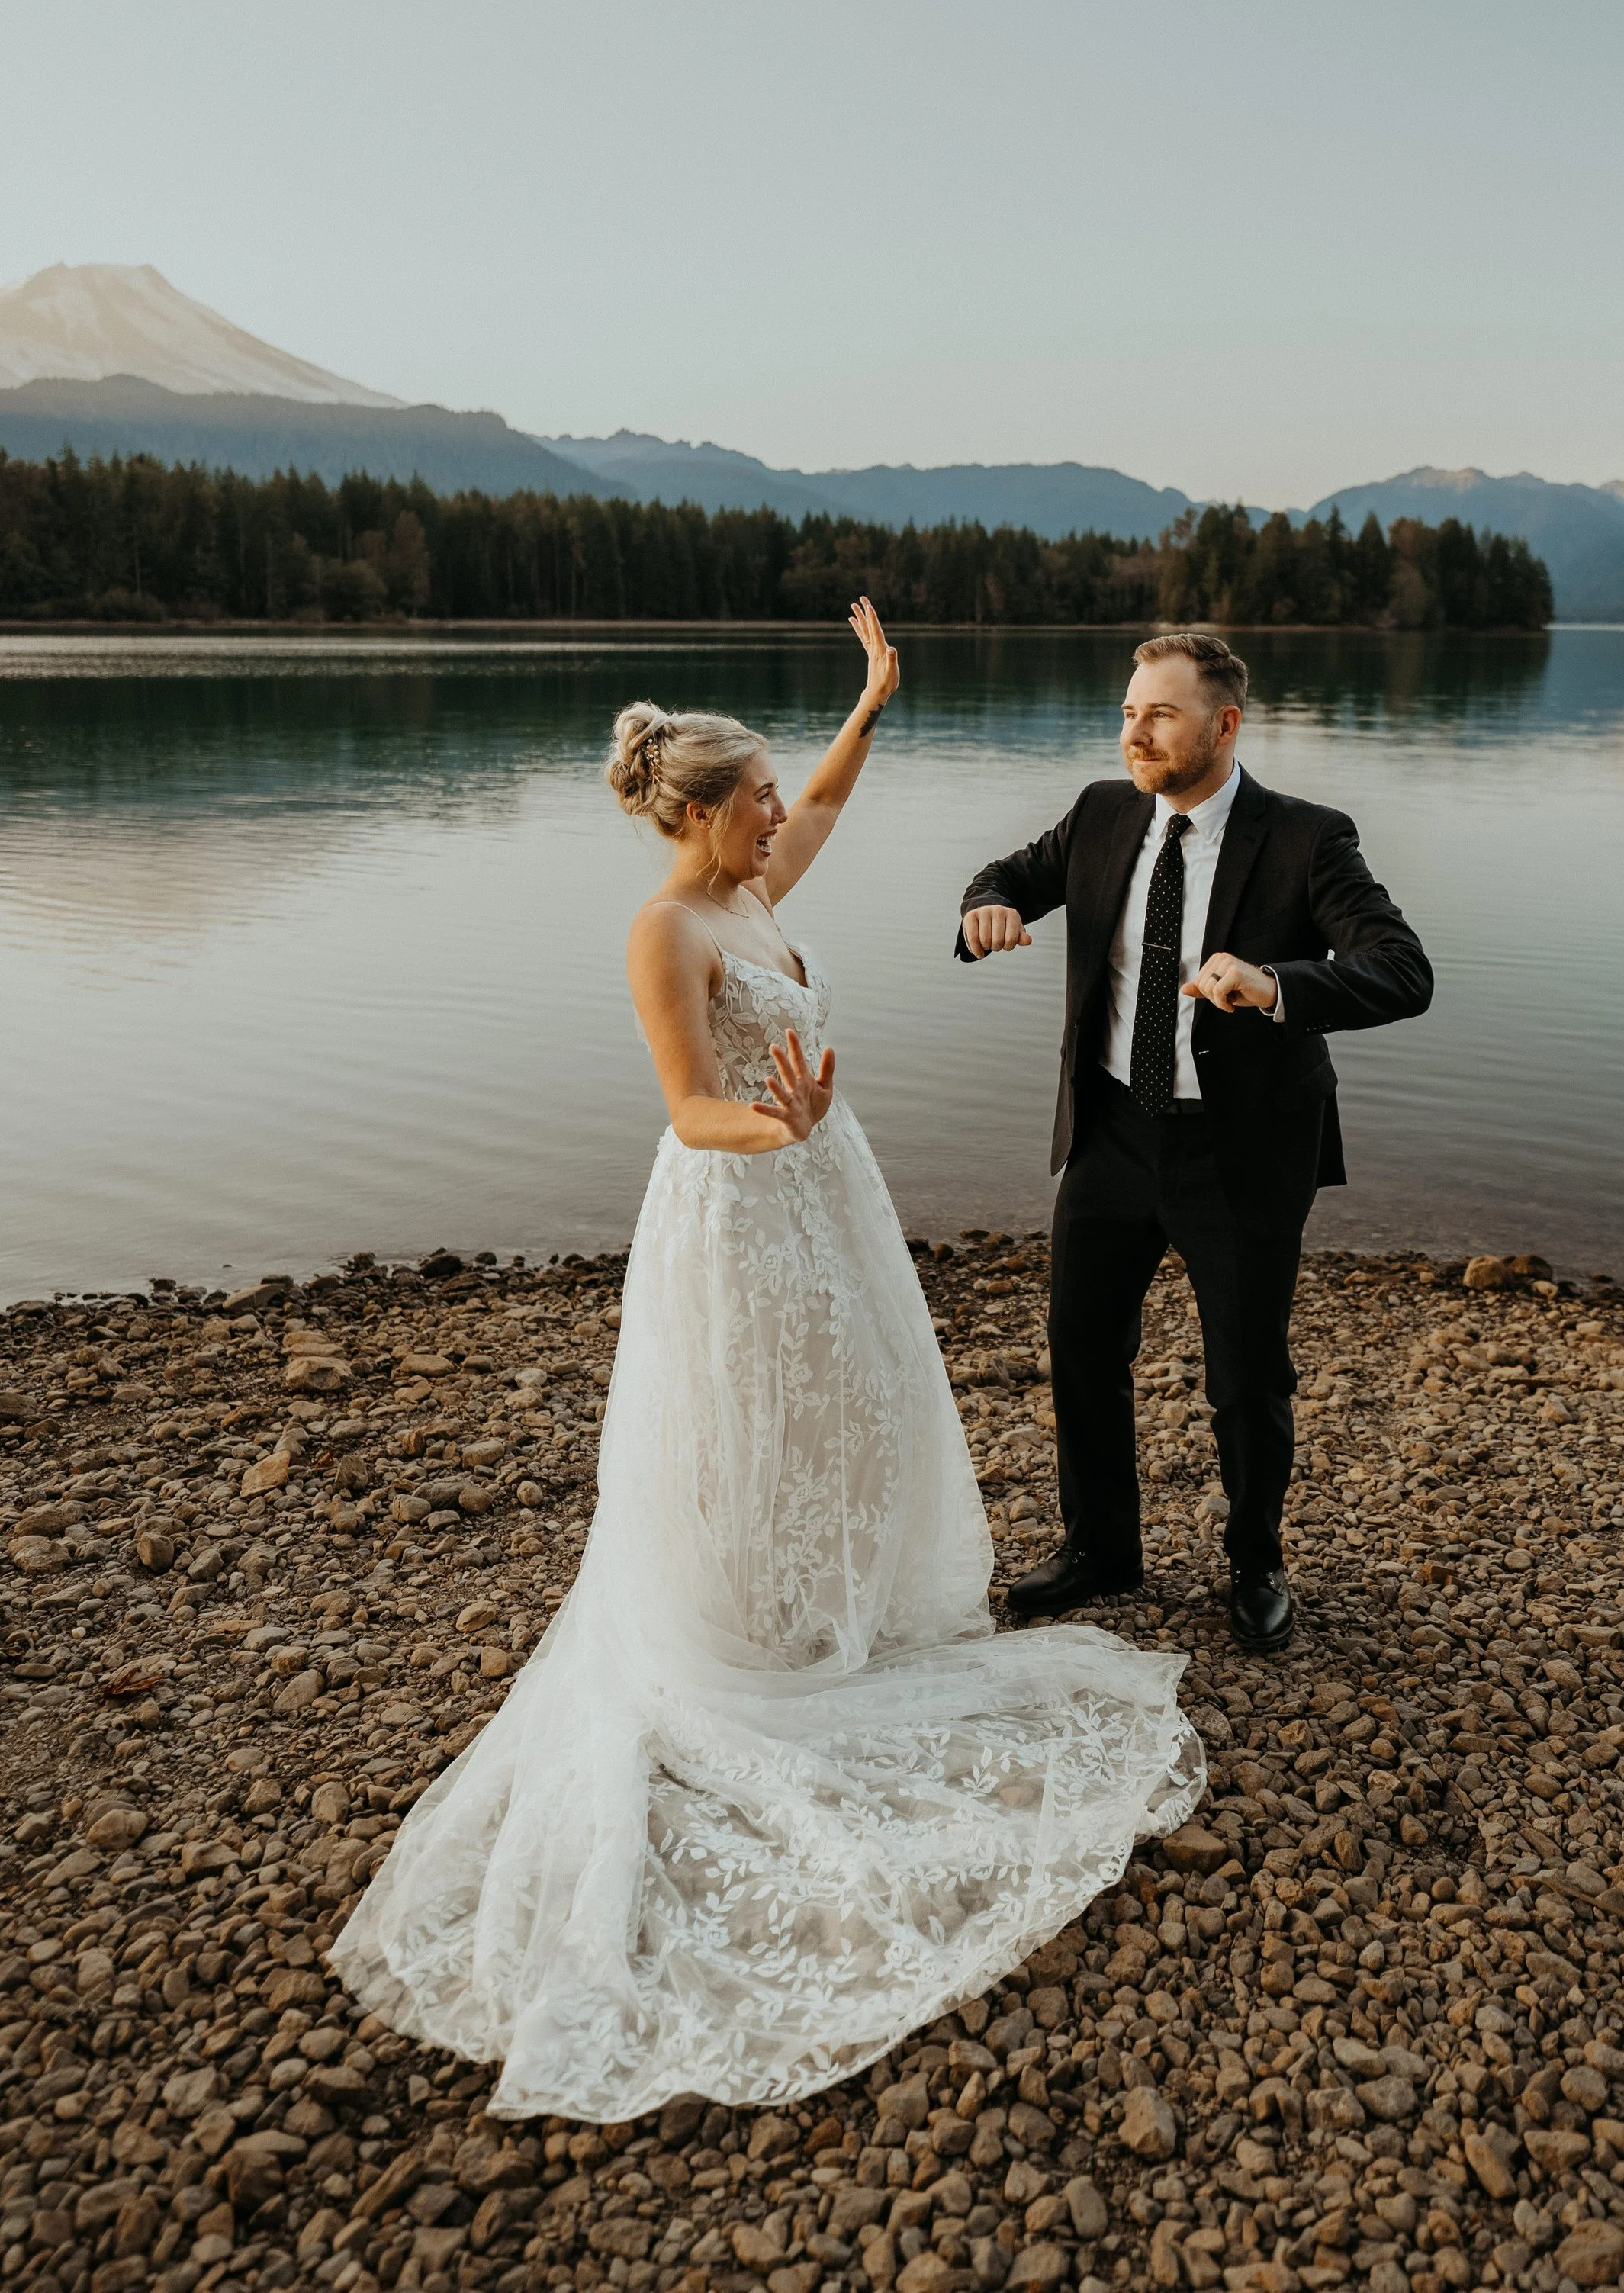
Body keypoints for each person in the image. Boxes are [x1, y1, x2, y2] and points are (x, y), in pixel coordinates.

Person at [332, 600, 1200, 2121]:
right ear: (701, 814)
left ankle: (828, 1611)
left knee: (850, 1415)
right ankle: (742, 1643)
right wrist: (773, 1124)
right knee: (746, 1428)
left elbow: (836, 806)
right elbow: (686, 1108)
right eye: (759, 796)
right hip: (739, 1204)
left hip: (823, 1196)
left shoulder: (753, 887)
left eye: (780, 790)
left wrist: (870, 700)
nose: (782, 809)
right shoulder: (665, 929)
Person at [957, 630, 1431, 1654]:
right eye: (1129, 710)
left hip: (1242, 1151)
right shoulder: (1101, 813)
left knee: (1246, 1377)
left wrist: (1277, 987)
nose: (1134, 730)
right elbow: (1008, 872)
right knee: (1083, 1348)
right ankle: (1101, 1549)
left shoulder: (1307, 838)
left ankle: (1255, 1562)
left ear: (1224, 724)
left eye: (1158, 714)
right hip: (1112, 1131)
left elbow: (1403, 969)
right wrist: (987, 906)